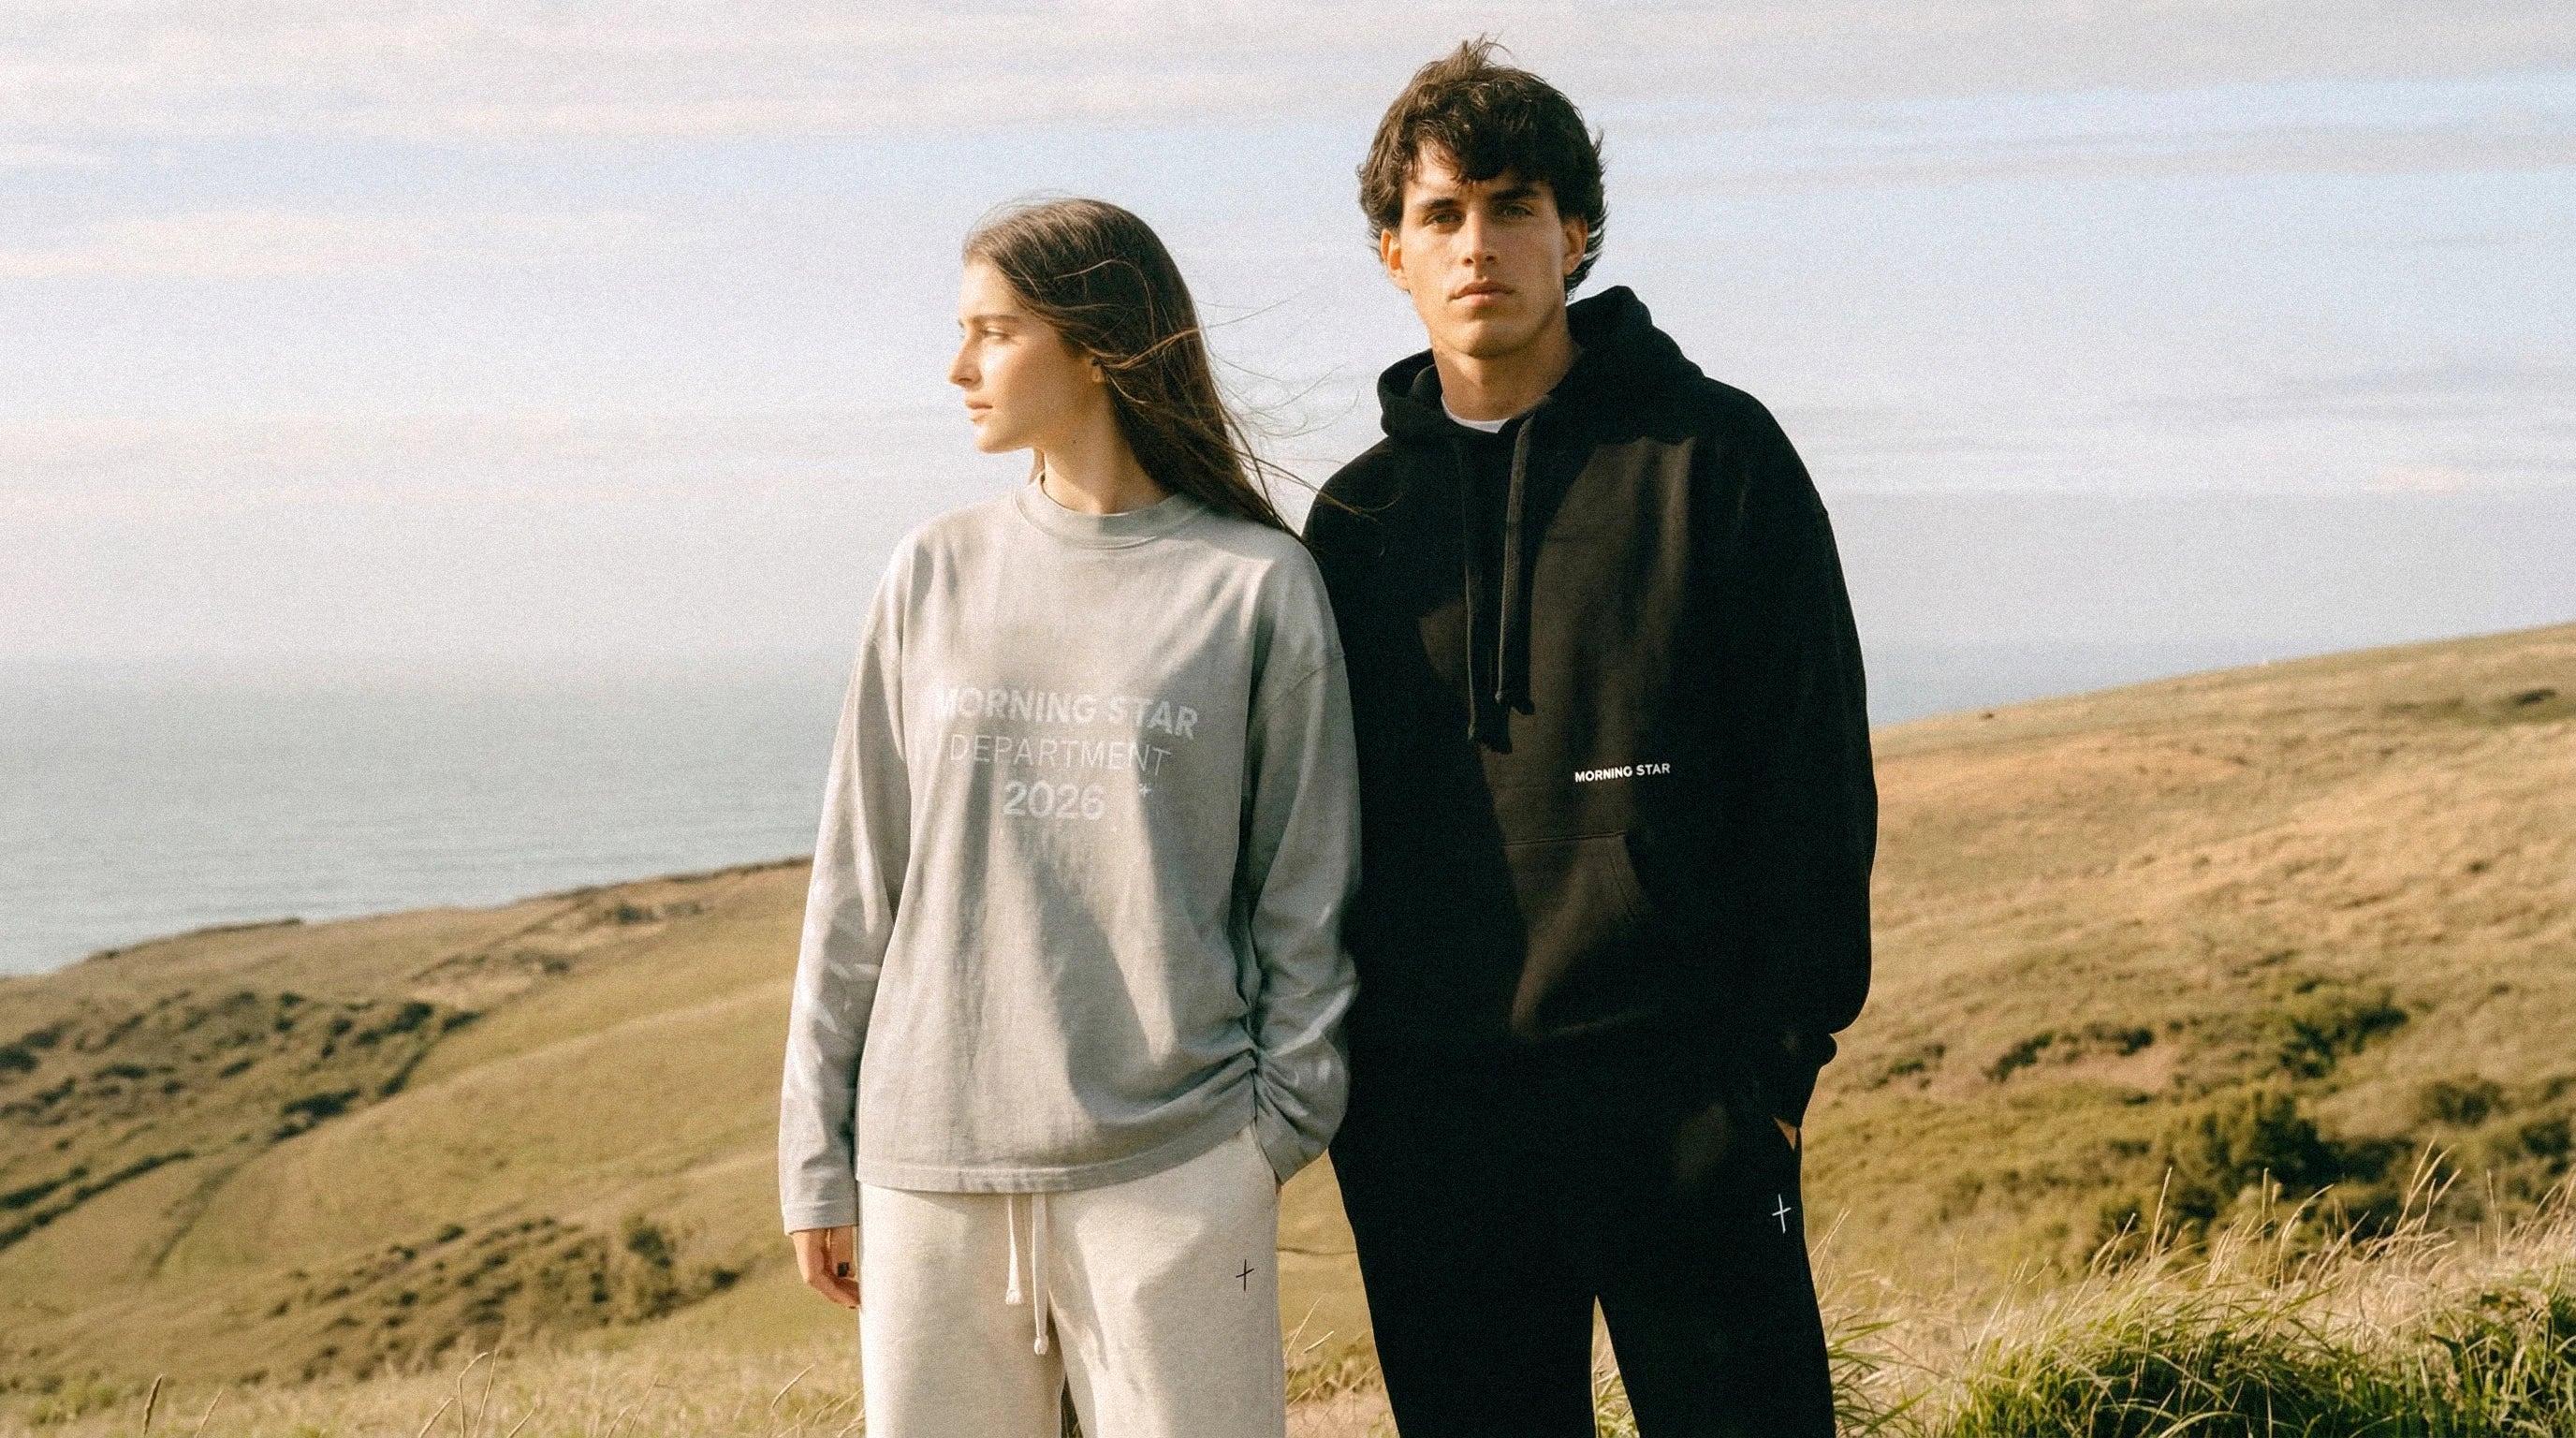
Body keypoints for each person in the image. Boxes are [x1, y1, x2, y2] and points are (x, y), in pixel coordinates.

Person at [1305, 41, 1877, 1438]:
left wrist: (1774, 1070)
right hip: (1434, 1123)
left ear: (1576, 231)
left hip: (1683, 1098)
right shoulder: (1358, 525)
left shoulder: (1714, 458)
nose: (1478, 245)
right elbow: (1319, 834)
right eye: (1442, 214)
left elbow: (1812, 773)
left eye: (1514, 206)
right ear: (1393, 252)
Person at [778, 197, 1361, 1438]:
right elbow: (857, 884)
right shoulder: (931, 572)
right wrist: (816, 1156)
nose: (959, 367)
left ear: (1098, 346)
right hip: (927, 1173)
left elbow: (1305, 891)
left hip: (1176, 1170)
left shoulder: (1255, 586)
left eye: (994, 333)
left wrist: (1268, 1138)